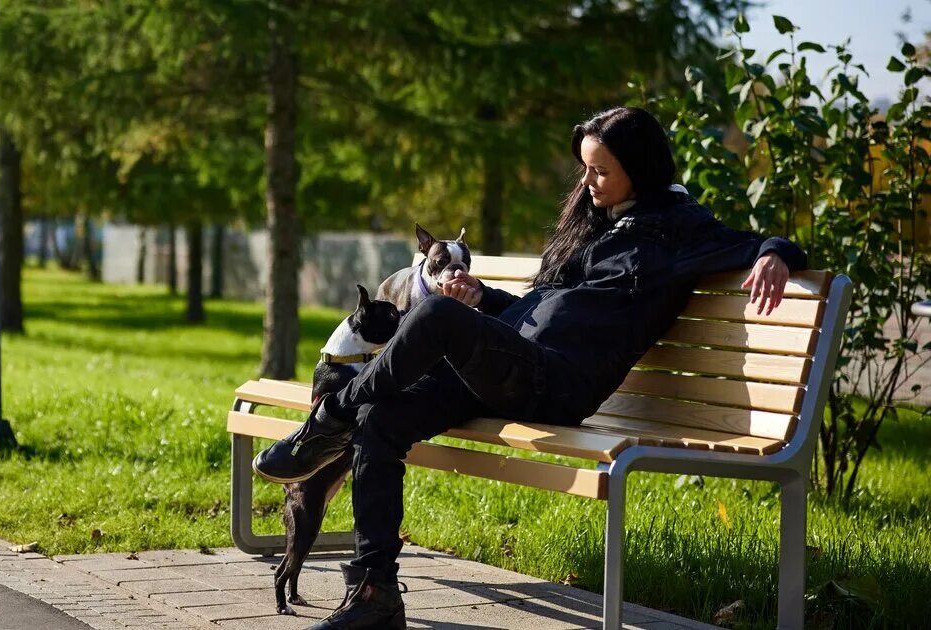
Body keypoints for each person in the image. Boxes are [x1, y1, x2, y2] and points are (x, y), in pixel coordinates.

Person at [252, 106, 807, 630]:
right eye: (585, 168)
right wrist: (486, 298)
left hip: (555, 381)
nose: (589, 182)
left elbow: (766, 243)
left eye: (602, 171)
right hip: (511, 363)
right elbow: (543, 308)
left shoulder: (678, 229)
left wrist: (774, 253)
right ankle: (374, 595)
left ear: (639, 169)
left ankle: (327, 420)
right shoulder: (597, 225)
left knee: (435, 315)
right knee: (382, 415)